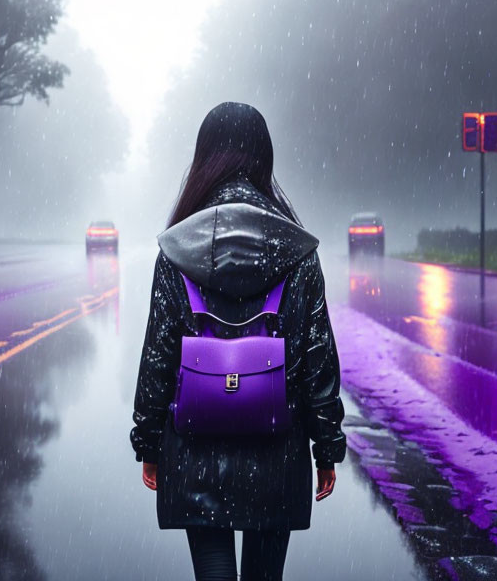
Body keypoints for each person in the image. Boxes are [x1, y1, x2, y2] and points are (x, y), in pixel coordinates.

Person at [130, 101, 346, 581]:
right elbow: (318, 359)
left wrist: (148, 441)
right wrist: (327, 446)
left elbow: (159, 354)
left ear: (203, 158)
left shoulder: (175, 250)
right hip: (277, 443)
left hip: (195, 443)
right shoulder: (298, 251)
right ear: (263, 157)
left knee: (213, 574)